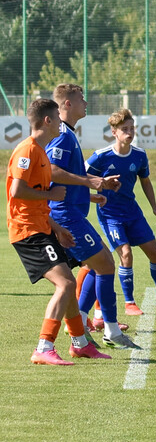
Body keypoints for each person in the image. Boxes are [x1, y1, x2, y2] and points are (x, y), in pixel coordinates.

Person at [9, 98, 108, 365]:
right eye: (56, 116)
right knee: (65, 283)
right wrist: (53, 193)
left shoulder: (41, 152)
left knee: (68, 283)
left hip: (43, 227)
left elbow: (40, 199)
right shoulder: (27, 151)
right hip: (27, 231)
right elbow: (16, 191)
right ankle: (44, 346)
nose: (60, 123)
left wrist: (58, 228)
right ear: (47, 121)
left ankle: (80, 343)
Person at [48, 83, 139, 349]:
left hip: (71, 212)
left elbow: (66, 178)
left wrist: (96, 186)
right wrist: (91, 184)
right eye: (81, 99)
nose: (86, 103)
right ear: (67, 104)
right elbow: (52, 171)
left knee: (78, 275)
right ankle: (109, 329)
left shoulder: (67, 134)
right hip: (66, 216)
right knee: (105, 265)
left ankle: (79, 329)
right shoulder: (62, 135)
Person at [86, 108, 156, 315]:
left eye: (132, 128)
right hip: (110, 215)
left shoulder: (140, 155)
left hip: (133, 213)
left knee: (155, 252)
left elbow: (145, 181)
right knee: (125, 253)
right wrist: (92, 196)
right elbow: (78, 177)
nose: (130, 132)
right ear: (114, 132)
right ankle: (129, 302)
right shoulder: (100, 157)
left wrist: (155, 208)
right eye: (125, 129)